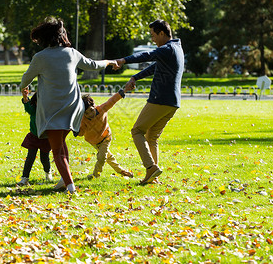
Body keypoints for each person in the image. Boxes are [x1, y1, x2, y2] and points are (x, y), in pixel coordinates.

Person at [20, 16, 118, 194]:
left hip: (53, 112)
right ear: (61, 36)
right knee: (61, 146)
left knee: (57, 152)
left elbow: (25, 80)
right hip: (73, 110)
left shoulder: (40, 57)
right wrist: (109, 62)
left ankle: (70, 187)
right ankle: (64, 181)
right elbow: (93, 65)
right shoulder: (72, 53)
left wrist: (24, 89)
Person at [112, 19, 184, 185]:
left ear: (162, 33)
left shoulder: (167, 48)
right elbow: (155, 67)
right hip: (172, 102)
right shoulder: (175, 48)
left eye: (153, 35)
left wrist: (123, 61)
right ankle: (153, 177)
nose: (152, 39)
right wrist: (135, 77)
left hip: (160, 99)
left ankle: (151, 167)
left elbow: (147, 55)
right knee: (151, 137)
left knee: (137, 131)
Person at [78, 90, 134, 179]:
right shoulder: (83, 120)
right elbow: (81, 132)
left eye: (91, 111)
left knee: (101, 158)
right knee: (108, 157)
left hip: (105, 137)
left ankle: (95, 175)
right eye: (86, 113)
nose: (90, 114)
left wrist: (119, 94)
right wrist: (76, 132)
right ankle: (122, 171)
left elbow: (110, 102)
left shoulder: (101, 109)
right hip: (94, 142)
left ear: (94, 106)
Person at [17, 87, 52, 186]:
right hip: (34, 137)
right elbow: (28, 107)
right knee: (30, 158)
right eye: (37, 102)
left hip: (45, 138)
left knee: (44, 158)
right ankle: (24, 178)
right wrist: (25, 97)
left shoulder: (48, 113)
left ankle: (48, 172)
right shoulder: (33, 110)